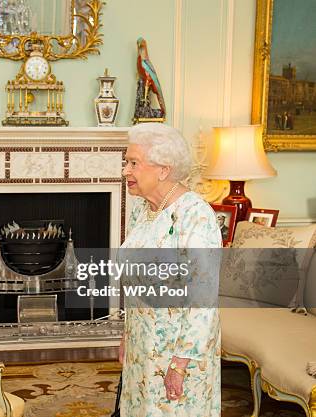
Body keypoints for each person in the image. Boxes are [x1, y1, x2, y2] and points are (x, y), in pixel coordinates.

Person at [118, 123, 221, 416]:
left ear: (163, 169)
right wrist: (128, 335)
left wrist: (179, 364)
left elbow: (203, 300)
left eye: (133, 163)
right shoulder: (143, 210)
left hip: (178, 353)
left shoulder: (197, 217)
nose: (126, 170)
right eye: (127, 162)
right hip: (143, 345)